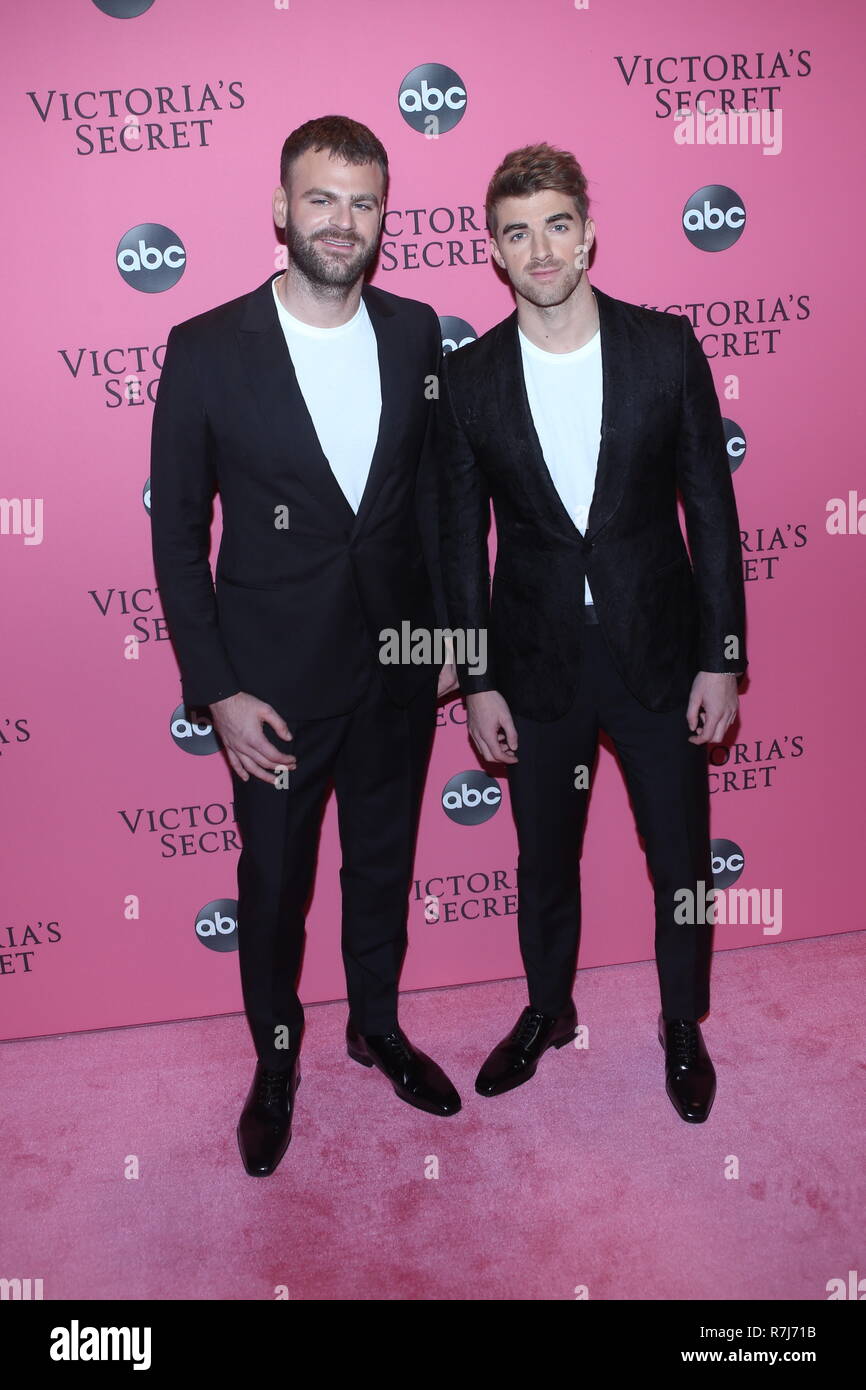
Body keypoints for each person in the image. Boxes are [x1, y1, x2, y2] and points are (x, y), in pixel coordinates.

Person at [150, 115, 460, 1177]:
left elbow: (431, 501)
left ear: (384, 216)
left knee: (381, 866)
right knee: (275, 886)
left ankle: (374, 1027)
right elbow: (178, 534)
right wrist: (218, 689)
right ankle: (276, 1062)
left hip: (398, 673)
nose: (341, 221)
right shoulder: (203, 347)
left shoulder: (418, 333)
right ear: (281, 210)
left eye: (362, 201)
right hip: (273, 687)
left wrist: (452, 638)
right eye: (320, 199)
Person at [434, 143, 746, 1124]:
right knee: (541, 857)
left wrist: (722, 655)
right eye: (517, 231)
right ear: (492, 247)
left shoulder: (664, 348)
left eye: (556, 224)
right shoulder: (467, 378)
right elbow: (456, 542)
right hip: (534, 666)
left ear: (587, 233)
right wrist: (476, 678)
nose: (539, 248)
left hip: (657, 651)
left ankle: (681, 1022)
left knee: (681, 858)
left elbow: (712, 509)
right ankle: (546, 1011)